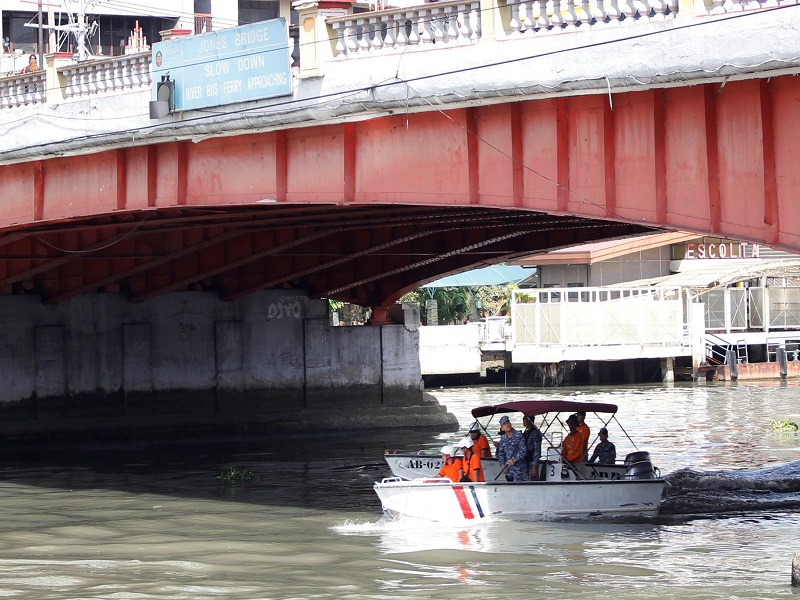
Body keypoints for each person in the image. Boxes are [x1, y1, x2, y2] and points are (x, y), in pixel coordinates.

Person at [496, 415, 527, 482]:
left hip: (519, 469)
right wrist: (502, 466)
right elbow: (501, 453)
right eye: (504, 424)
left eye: (508, 423)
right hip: (509, 470)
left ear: (510, 424)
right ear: (502, 428)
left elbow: (523, 450)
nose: (507, 425)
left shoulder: (519, 435)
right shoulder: (503, 438)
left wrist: (514, 460)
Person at [562, 414, 586, 479]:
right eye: (569, 423)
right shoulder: (567, 438)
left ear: (575, 424)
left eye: (572, 423)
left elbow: (579, 451)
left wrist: (569, 458)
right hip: (568, 464)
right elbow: (564, 451)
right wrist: (564, 459)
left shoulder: (579, 436)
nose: (570, 425)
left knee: (581, 480)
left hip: (577, 463)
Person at [522, 415, 542, 481]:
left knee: (533, 480)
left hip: (532, 461)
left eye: (524, 419)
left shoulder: (535, 433)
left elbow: (537, 450)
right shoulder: (526, 433)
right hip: (525, 461)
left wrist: (534, 466)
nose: (523, 420)